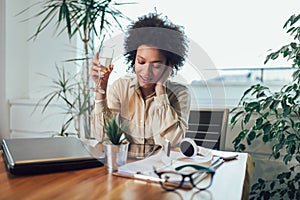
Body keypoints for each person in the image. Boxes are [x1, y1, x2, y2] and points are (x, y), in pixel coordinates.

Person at [90, 13, 191, 147]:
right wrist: (100, 93)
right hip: (126, 165)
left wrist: (161, 92)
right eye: (141, 62)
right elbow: (103, 137)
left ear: (169, 66)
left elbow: (172, 143)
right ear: (133, 60)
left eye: (156, 65)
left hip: (162, 166)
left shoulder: (180, 94)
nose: (146, 72)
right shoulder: (120, 87)